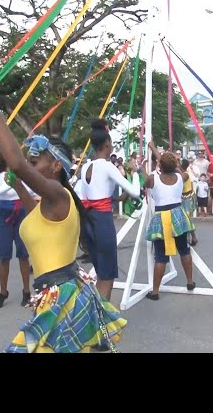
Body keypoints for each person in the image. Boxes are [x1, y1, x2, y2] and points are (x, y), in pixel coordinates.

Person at [0, 82, 126, 353]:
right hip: (54, 295)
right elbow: (37, 219)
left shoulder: (58, 192)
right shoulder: (50, 203)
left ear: (56, 166)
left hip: (61, 297)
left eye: (36, 161)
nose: (29, 164)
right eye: (30, 162)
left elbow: (17, 164)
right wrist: (19, 186)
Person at [78, 119, 141, 302]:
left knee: (100, 272)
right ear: (106, 144)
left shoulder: (85, 167)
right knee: (107, 276)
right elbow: (134, 192)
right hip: (102, 220)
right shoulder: (107, 166)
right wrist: (135, 172)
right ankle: (102, 322)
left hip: (87, 219)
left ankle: (97, 315)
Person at [144, 141, 197, 301]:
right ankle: (189, 281)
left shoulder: (153, 178)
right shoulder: (182, 177)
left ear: (160, 164)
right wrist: (160, 155)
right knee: (184, 250)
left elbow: (146, 183)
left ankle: (155, 291)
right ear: (174, 165)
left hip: (161, 218)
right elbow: (176, 169)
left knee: (160, 256)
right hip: (177, 215)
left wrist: (143, 166)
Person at [0, 153, 35, 309]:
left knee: (23, 254)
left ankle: (27, 291)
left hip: (21, 213)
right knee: (4, 255)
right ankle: (3, 292)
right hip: (4, 214)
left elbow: (33, 192)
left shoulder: (23, 176)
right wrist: (13, 182)